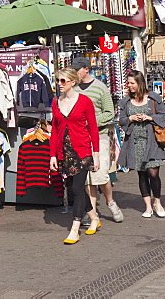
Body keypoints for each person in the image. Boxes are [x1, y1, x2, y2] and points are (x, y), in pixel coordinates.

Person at [50, 68, 100, 244]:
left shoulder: (85, 101)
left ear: (73, 82)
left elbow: (93, 128)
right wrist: (53, 155)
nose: (59, 84)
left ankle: (75, 229)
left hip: (82, 150)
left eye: (63, 81)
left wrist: (97, 154)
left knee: (78, 188)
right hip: (64, 151)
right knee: (73, 187)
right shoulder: (56, 102)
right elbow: (55, 129)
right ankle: (94, 217)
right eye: (58, 80)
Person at [70, 57, 123, 224]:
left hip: (99, 135)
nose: (75, 73)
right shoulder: (73, 89)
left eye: (77, 69)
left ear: (86, 69)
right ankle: (92, 213)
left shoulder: (100, 88)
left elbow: (109, 112)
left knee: (100, 176)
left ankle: (110, 201)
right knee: (86, 178)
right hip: (80, 138)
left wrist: (91, 121)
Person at [116, 71, 165, 218]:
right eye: (128, 83)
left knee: (153, 173)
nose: (129, 85)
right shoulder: (126, 101)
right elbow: (122, 120)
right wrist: (131, 118)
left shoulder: (153, 98)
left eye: (132, 83)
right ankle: (147, 206)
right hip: (135, 141)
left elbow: (163, 116)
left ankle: (157, 201)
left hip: (152, 140)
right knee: (142, 174)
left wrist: (149, 117)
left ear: (140, 83)